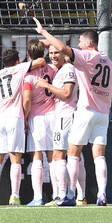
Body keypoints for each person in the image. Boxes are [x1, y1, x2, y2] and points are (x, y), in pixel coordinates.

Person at [33, 17, 112, 206]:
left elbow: (63, 48)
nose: (78, 45)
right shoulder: (108, 61)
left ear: (88, 43)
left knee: (72, 154)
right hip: (103, 113)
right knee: (99, 155)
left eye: (79, 42)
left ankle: (70, 195)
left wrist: (43, 32)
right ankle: (102, 194)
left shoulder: (88, 56)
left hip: (86, 110)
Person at [0, 49, 46, 206]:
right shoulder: (20, 68)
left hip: (0, 118)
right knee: (15, 158)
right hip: (15, 117)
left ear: (3, 62)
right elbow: (40, 61)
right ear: (17, 60)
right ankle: (14, 196)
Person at [34, 45, 84, 204]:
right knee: (74, 156)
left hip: (66, 116)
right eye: (51, 53)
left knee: (58, 155)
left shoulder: (68, 69)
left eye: (56, 53)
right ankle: (76, 196)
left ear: (64, 54)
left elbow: (67, 93)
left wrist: (46, 85)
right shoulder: (61, 69)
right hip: (64, 115)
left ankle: (64, 195)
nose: (53, 56)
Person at [22, 39, 56, 206]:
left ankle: (38, 197)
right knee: (53, 157)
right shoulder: (53, 69)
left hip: (36, 117)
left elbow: (27, 99)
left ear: (28, 54)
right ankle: (58, 195)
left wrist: (25, 117)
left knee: (37, 157)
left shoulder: (28, 75)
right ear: (44, 54)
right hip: (54, 115)